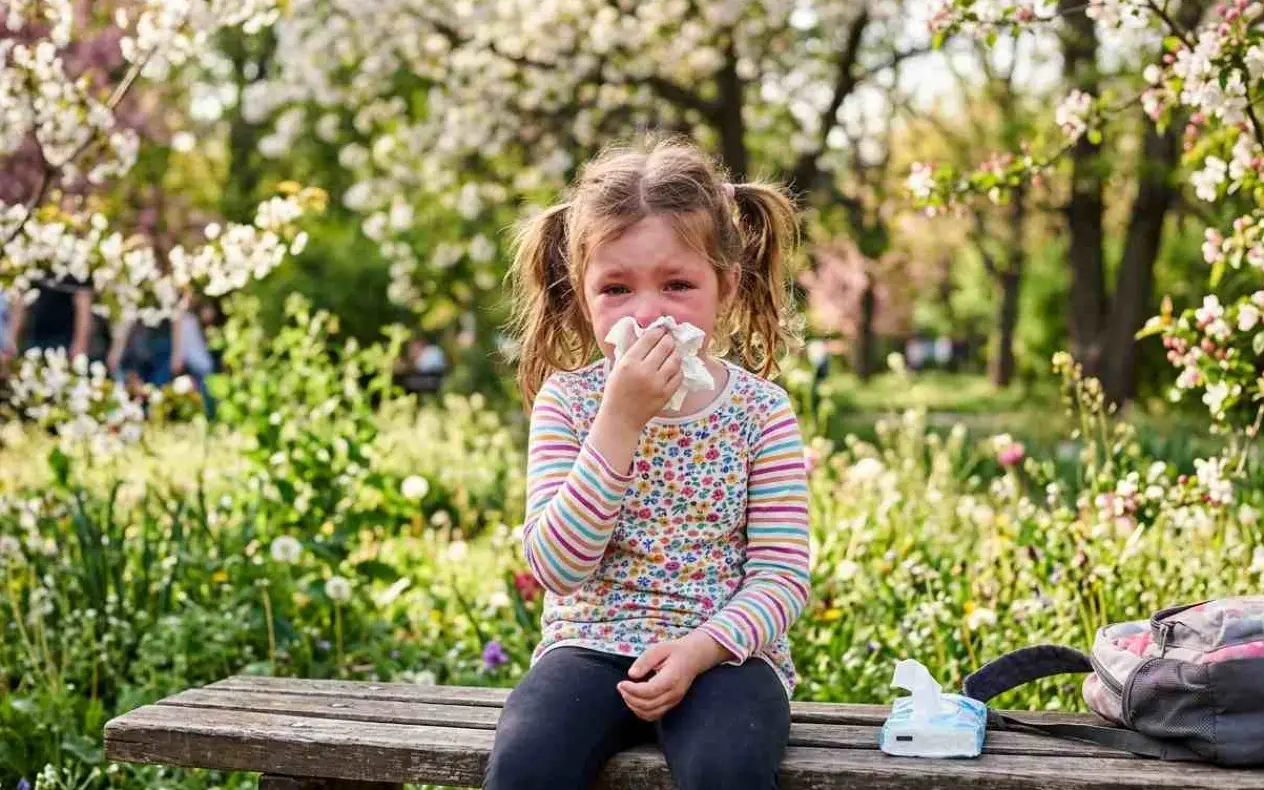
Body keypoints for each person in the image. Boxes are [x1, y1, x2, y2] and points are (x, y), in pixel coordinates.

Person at [484, 137, 811, 790]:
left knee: (729, 769)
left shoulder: (761, 412)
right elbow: (556, 565)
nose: (648, 312)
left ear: (726, 285)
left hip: (725, 654)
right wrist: (619, 422)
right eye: (616, 287)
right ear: (580, 294)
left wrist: (700, 650)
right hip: (589, 646)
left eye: (677, 284)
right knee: (526, 768)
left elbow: (781, 576)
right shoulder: (570, 403)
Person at [3, 276, 94, 360]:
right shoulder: (36, 265)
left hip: (65, 339)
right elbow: (21, 299)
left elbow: (83, 301)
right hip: (35, 336)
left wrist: (80, 343)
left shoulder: (78, 269)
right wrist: (11, 338)